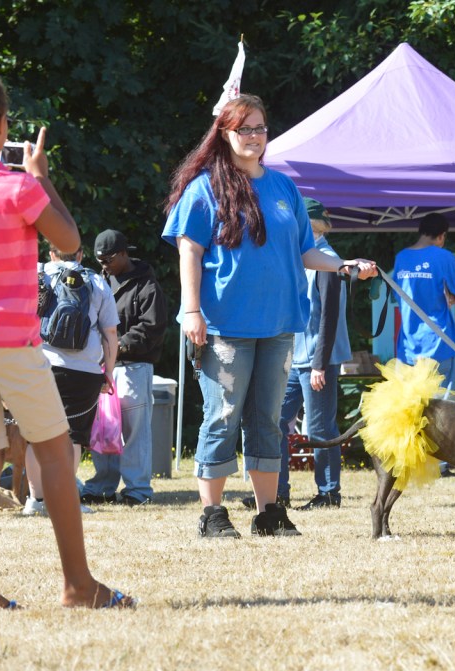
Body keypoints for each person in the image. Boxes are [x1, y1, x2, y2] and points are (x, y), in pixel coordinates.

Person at [0, 65, 132, 610]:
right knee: (56, 452)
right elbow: (70, 243)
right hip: (4, 338)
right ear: (0, 124)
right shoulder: (16, 186)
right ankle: (78, 587)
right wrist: (40, 176)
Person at [161, 94, 376, 538]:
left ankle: (269, 513)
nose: (255, 138)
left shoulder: (283, 188)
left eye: (260, 129)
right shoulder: (204, 187)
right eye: (245, 129)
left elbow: (306, 251)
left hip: (280, 326)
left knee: (268, 420)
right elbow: (190, 250)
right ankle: (212, 514)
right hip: (224, 327)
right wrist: (191, 310)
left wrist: (343, 265)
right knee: (222, 416)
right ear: (224, 133)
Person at [23, 245, 118, 516]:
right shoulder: (96, 281)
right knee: (74, 436)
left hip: (40, 365)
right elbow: (110, 332)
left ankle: (35, 500)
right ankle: (64, 501)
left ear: (51, 254)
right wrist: (107, 372)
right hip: (84, 371)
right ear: (80, 255)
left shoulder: (37, 274)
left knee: (35, 435)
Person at [80, 229, 166, 506]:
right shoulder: (98, 282)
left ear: (125, 253)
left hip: (134, 367)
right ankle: (102, 486)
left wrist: (116, 348)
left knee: (134, 431)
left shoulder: (147, 286)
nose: (104, 265)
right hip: (102, 367)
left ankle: (137, 490)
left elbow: (151, 329)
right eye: (100, 260)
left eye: (109, 259)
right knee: (103, 427)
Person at [277, 198, 352, 510]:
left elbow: (328, 317)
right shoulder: (304, 257)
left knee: (320, 427)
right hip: (296, 357)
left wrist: (320, 364)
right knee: (276, 421)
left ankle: (329, 493)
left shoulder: (326, 260)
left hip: (317, 359)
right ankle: (277, 491)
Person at [392, 213, 455, 475]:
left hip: (408, 345)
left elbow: (397, 296)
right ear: (442, 236)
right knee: (444, 405)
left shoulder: (401, 257)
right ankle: (441, 463)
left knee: (411, 404)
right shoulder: (443, 256)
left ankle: (411, 458)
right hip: (440, 341)